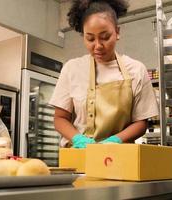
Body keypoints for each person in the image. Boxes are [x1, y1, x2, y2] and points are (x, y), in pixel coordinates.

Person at [49, 0, 159, 148]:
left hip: (119, 157)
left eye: (105, 37)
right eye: (90, 38)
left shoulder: (136, 70)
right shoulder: (72, 69)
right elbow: (60, 118)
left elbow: (140, 123)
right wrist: (77, 139)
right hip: (79, 157)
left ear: (117, 32)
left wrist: (115, 140)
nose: (98, 46)